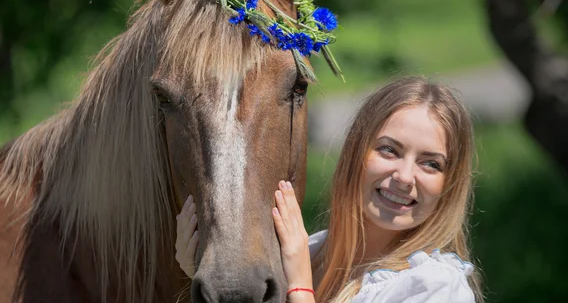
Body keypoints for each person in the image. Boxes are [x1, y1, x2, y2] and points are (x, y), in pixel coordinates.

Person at [175, 76, 483, 302]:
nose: (404, 176)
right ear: (355, 151)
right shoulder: (303, 255)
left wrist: (299, 289)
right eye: (389, 150)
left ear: (449, 184)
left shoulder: (435, 287)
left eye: (431, 164)